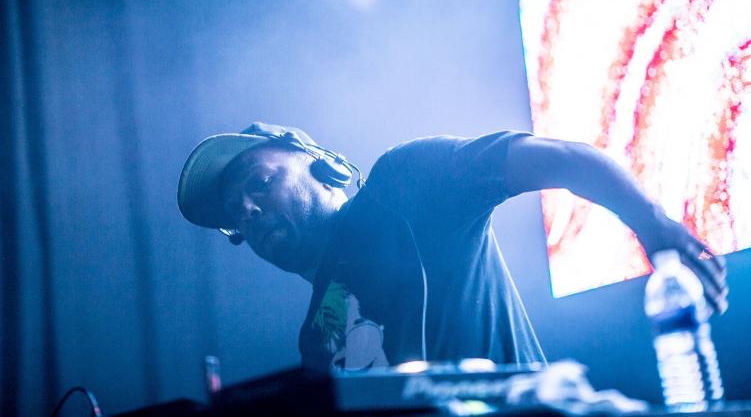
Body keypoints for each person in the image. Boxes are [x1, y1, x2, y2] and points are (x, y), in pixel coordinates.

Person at [177, 122, 728, 371]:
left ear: (324, 167)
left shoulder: (405, 183)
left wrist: (652, 226)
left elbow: (562, 157)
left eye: (259, 183)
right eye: (233, 216)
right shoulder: (315, 338)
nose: (246, 211)